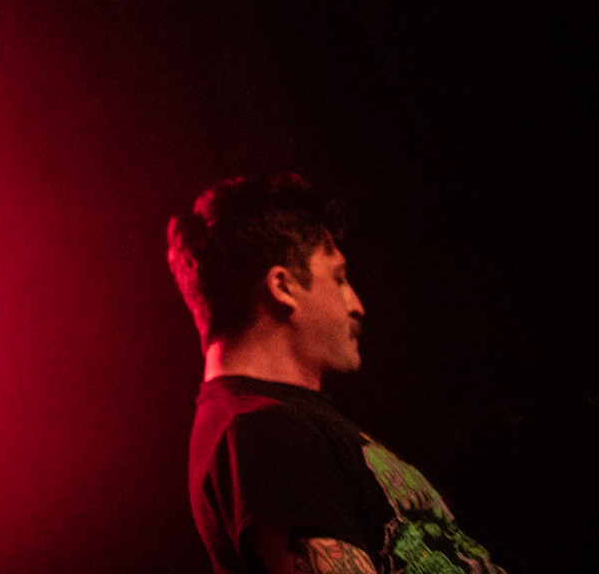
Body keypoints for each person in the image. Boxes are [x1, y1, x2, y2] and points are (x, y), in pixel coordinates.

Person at [166, 174, 507, 574]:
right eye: (339, 278)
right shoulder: (262, 430)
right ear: (282, 286)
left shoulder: (278, 424)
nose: (357, 305)